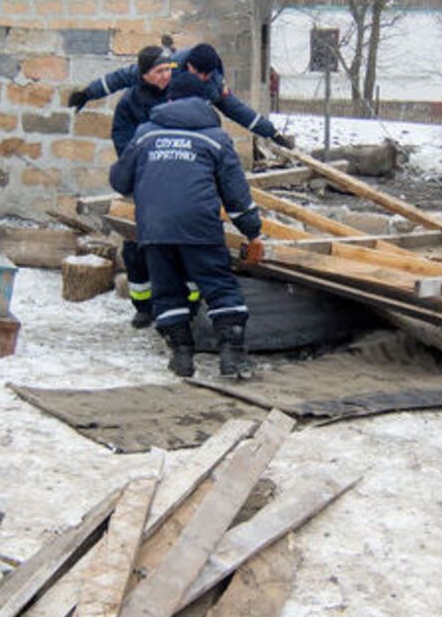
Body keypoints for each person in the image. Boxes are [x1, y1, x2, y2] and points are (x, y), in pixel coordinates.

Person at [109, 72, 264, 379]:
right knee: (219, 286)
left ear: (169, 100)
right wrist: (252, 231)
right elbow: (236, 195)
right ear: (207, 103)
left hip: (153, 227)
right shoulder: (216, 139)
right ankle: (231, 355)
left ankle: (182, 355)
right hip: (199, 226)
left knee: (167, 290)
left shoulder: (145, 134)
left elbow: (119, 180)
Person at [68, 41, 295, 149]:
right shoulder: (166, 68)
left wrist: (271, 132)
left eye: (207, 76)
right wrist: (88, 93)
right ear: (188, 66)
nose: (202, 79)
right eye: (198, 74)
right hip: (148, 124)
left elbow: (238, 110)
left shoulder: (213, 84)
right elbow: (119, 78)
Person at [113, 45, 175, 327]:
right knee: (136, 246)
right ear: (145, 74)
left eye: (168, 70)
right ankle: (143, 305)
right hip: (142, 183)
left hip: (176, 182)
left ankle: (179, 304)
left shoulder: (180, 95)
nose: (165, 76)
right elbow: (125, 147)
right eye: (159, 71)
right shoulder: (130, 103)